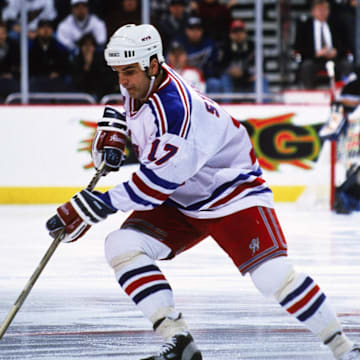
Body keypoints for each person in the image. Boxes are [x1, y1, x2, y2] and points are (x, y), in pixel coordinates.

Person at [46, 23, 360, 360]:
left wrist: (96, 205)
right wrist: (118, 134)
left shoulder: (177, 112)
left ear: (153, 65)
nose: (123, 81)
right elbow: (145, 139)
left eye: (129, 72)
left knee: (273, 277)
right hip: (183, 196)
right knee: (122, 245)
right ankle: (178, 341)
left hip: (230, 194)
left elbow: (154, 185)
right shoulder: (139, 85)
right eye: (118, 73)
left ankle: (346, 350)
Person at [294, 0, 353, 89]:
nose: (322, 12)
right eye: (319, 9)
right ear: (313, 11)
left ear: (329, 11)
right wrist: (316, 53)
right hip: (314, 60)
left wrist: (336, 51)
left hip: (335, 59)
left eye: (325, 9)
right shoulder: (305, 27)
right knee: (306, 66)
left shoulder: (337, 24)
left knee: (346, 65)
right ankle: (309, 92)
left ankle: (345, 92)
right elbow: (299, 47)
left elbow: (347, 44)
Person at [174, 16, 221, 93]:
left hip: (204, 78)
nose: (195, 32)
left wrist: (205, 72)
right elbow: (170, 63)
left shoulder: (209, 45)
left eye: (198, 29)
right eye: (191, 29)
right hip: (183, 76)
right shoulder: (178, 44)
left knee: (214, 83)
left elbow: (215, 66)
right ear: (186, 30)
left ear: (202, 31)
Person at [29, 19, 70, 92]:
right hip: (37, 79)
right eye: (43, 27)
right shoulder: (30, 47)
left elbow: (65, 66)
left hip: (55, 79)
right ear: (37, 30)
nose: (46, 30)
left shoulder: (59, 47)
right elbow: (30, 67)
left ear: (52, 30)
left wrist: (58, 73)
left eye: (48, 27)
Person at [71, 33, 116, 100]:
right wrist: (87, 65)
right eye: (85, 45)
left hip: (101, 94)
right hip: (82, 95)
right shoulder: (77, 61)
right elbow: (77, 83)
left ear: (94, 47)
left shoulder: (102, 60)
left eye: (90, 45)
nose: (88, 48)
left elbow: (105, 80)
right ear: (81, 47)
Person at [0, 20, 19, 101]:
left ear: (6, 34)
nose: (0, 36)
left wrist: (11, 74)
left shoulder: (13, 46)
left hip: (10, 79)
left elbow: (17, 66)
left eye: (2, 33)